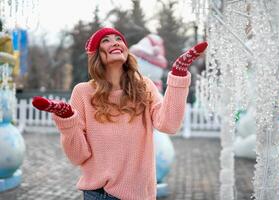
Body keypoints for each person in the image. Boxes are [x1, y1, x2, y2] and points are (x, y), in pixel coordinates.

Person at [32, 27, 208, 200]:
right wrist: (67, 119)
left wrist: (179, 73)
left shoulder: (144, 86)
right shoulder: (83, 92)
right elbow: (78, 156)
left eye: (118, 40)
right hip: (100, 194)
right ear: (96, 55)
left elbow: (169, 124)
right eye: (106, 40)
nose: (115, 43)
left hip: (142, 195)